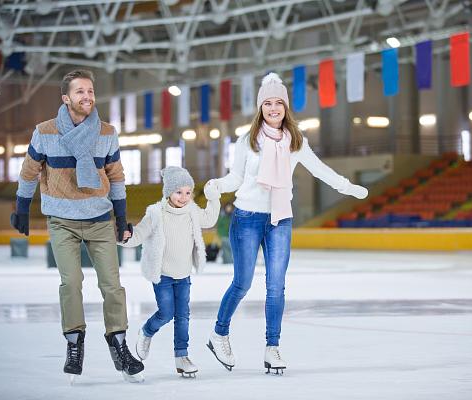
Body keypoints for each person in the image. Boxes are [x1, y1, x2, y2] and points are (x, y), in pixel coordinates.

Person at [204, 73, 368, 374]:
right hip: (247, 217)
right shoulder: (247, 140)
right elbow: (236, 177)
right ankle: (219, 333)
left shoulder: (296, 141)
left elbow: (320, 170)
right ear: (260, 107)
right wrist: (217, 184)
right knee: (242, 283)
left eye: (278, 102)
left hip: (280, 219)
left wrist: (347, 186)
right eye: (267, 103)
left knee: (276, 287)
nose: (273, 108)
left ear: (286, 106)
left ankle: (273, 347)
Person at [10, 69, 144, 383]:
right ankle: (74, 343)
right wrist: (20, 208)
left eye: (90, 91)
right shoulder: (45, 131)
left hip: (99, 219)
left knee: (113, 285)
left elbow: (116, 176)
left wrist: (121, 218)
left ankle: (119, 343)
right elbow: (30, 172)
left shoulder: (107, 132)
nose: (87, 97)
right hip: (62, 221)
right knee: (71, 283)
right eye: (80, 92)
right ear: (66, 98)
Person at [121, 166, 220, 378]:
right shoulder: (156, 213)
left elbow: (209, 220)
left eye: (188, 192)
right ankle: (147, 331)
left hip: (183, 275)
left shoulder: (193, 210)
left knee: (183, 316)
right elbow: (139, 233)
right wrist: (126, 237)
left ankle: (181, 357)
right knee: (166, 313)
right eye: (179, 192)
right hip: (163, 275)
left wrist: (213, 199)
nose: (184, 197)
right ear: (168, 192)